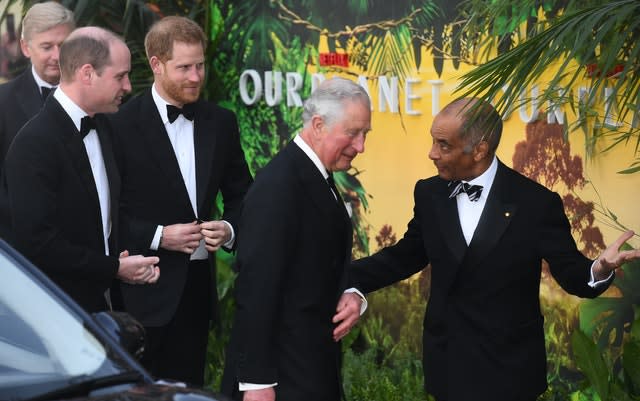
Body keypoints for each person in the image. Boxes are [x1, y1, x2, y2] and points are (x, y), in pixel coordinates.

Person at [345, 98, 640, 401]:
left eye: (444, 145)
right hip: (448, 363)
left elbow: (572, 273)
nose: (432, 153)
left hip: (509, 369)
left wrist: (600, 267)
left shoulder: (536, 203)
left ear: (480, 150)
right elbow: (405, 256)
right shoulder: (429, 193)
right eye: (433, 141)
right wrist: (341, 278)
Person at [108, 16, 253, 386]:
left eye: (200, 65)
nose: (195, 77)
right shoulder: (119, 126)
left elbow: (243, 195)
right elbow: (106, 214)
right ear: (156, 64)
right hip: (140, 291)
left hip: (195, 295)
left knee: (189, 390)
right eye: (184, 67)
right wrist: (159, 236)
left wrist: (230, 228)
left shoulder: (222, 122)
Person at [221, 77, 370, 401]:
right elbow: (257, 287)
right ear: (318, 125)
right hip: (283, 378)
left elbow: (317, 261)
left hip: (309, 369)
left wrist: (350, 291)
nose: (360, 146)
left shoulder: (315, 174)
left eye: (364, 134)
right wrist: (256, 382)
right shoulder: (280, 185)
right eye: (352, 133)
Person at [3, 27, 160, 313]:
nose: (128, 86)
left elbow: (108, 215)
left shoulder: (106, 127)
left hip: (107, 306)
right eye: (120, 76)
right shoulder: (34, 143)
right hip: (58, 312)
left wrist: (126, 258)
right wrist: (114, 267)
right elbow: (38, 243)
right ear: (87, 73)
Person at [0, 2, 74, 169]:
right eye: (47, 47)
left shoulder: (95, 96)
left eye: (64, 45)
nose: (57, 56)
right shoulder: (3, 101)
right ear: (26, 48)